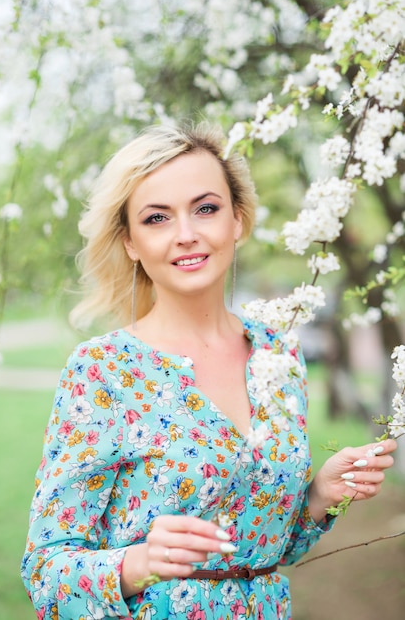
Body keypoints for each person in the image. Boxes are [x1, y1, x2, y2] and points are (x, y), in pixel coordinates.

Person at [21, 122, 396, 620]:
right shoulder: (104, 370)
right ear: (130, 242)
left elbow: (266, 553)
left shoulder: (278, 355)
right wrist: (141, 562)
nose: (186, 234)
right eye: (156, 218)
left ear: (237, 221)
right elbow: (45, 571)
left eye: (206, 208)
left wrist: (317, 497)